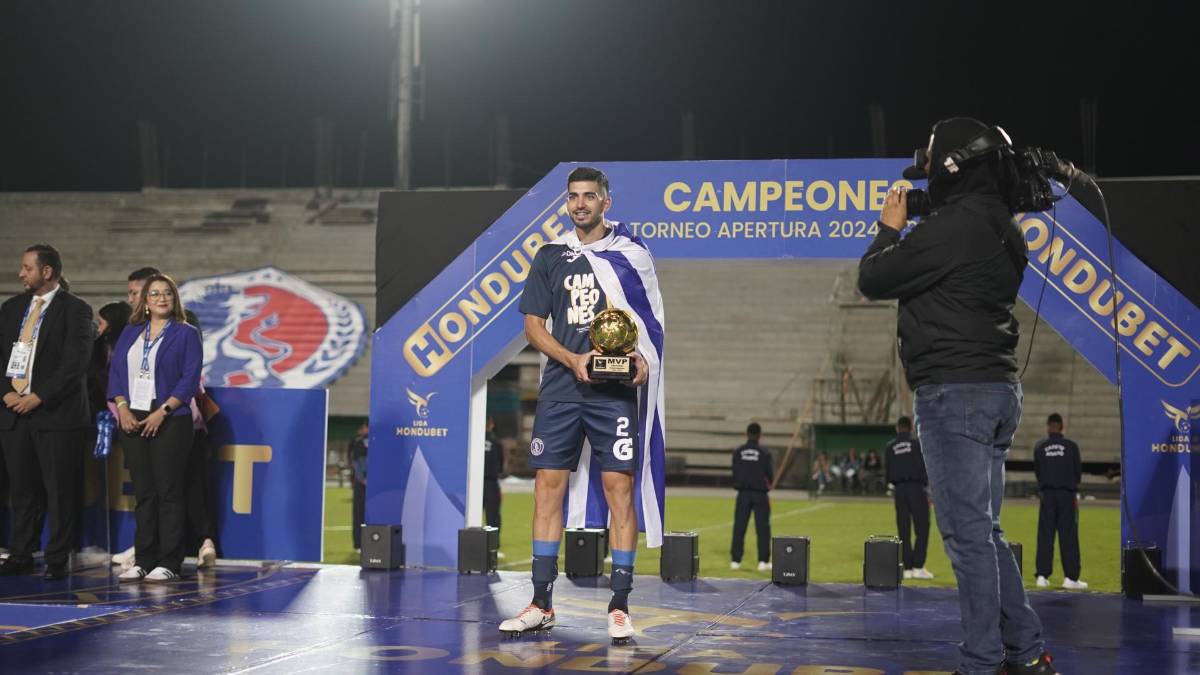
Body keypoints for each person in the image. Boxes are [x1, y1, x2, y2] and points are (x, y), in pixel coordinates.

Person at [858, 118, 1055, 674]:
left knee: (967, 540)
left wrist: (889, 227)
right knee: (985, 532)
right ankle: (1025, 651)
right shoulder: (1000, 225)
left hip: (955, 393)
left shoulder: (950, 229)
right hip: (995, 388)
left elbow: (872, 278)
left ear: (950, 168)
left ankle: (980, 662)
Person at [500, 167, 655, 642]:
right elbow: (532, 326)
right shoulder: (550, 256)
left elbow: (648, 322)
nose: (581, 204)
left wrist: (642, 359)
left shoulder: (631, 254)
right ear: (567, 204)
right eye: (573, 197)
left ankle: (620, 605)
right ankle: (541, 602)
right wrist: (572, 359)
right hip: (562, 392)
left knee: (618, 492)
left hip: (612, 395)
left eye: (590, 196)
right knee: (547, 488)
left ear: (606, 202)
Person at [0, 244, 94, 580]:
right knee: (22, 490)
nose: (20, 274)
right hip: (14, 415)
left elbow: (75, 364)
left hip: (56, 415)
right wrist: (7, 393)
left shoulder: (77, 310)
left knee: (59, 491)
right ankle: (21, 553)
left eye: (27, 268)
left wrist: (38, 397)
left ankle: (57, 558)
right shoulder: (11, 308)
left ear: (47, 271)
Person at [108, 274, 202, 583]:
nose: (161, 298)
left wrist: (163, 411)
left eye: (167, 294)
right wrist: (122, 407)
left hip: (170, 419)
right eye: (154, 294)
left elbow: (189, 379)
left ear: (175, 300)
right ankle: (144, 559)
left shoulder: (186, 333)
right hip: (132, 418)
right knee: (144, 493)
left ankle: (170, 562)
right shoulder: (130, 332)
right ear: (145, 301)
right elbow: (116, 374)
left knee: (168, 492)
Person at [1033, 413, 1085, 590]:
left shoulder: (1040, 447)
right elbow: (1078, 471)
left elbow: (1038, 473)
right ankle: (1070, 578)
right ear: (1062, 427)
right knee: (1068, 536)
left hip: (1047, 495)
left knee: (1045, 536)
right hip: (1066, 495)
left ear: (1048, 426)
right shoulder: (1071, 447)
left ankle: (1041, 576)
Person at [885, 416, 932, 580]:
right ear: (910, 428)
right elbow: (924, 466)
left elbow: (888, 472)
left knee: (903, 528)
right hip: (916, 488)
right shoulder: (917, 444)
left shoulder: (890, 447)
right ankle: (918, 567)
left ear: (897, 428)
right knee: (922, 528)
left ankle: (907, 568)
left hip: (899, 490)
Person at [729, 422, 773, 571]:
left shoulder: (738, 452)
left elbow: (734, 472)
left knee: (739, 527)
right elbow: (770, 475)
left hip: (743, 494)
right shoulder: (764, 453)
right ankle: (763, 561)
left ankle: (735, 561)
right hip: (760, 495)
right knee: (762, 528)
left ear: (746, 434)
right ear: (760, 435)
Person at [482, 415, 504, 552]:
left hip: (475, 483)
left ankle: (470, 543)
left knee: (471, 515)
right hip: (491, 483)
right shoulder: (496, 442)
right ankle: (493, 545)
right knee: (493, 516)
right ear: (491, 425)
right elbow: (500, 466)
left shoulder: (472, 440)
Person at [349, 419, 368, 550]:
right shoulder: (359, 442)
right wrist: (362, 479)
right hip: (362, 483)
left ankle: (363, 544)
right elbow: (356, 462)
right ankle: (359, 544)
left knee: (361, 514)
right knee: (360, 513)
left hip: (365, 482)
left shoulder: (362, 441)